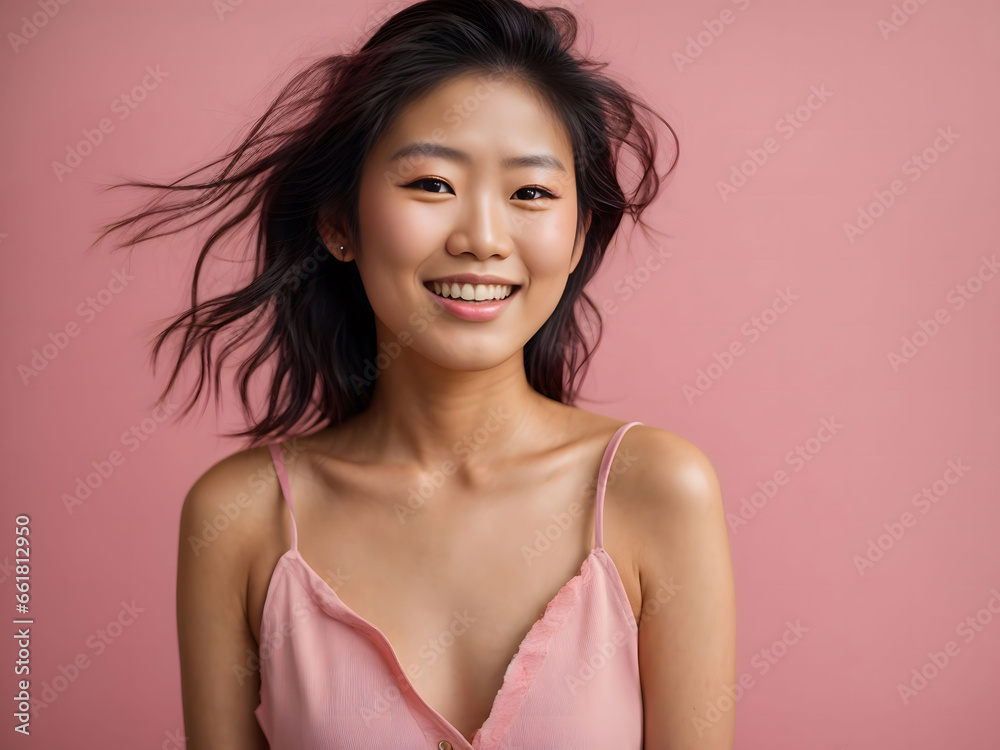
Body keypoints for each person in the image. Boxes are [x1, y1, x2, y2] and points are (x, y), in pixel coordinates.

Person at [95, 0, 735, 747]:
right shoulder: (241, 517)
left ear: (577, 236)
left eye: (530, 193)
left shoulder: (654, 490)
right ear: (338, 222)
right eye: (431, 184)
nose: (483, 239)